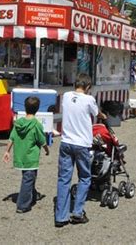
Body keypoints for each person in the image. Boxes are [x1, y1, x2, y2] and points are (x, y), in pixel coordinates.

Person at [55, 73, 105, 228]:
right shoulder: (89, 99)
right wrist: (104, 116)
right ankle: (77, 212)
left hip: (66, 142)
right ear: (88, 86)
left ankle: (61, 216)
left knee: (64, 179)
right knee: (84, 177)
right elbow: (97, 114)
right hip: (82, 144)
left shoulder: (67, 96)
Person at [3, 96, 49, 213]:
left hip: (20, 156)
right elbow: (41, 140)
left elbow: (12, 138)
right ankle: (22, 205)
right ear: (37, 109)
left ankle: (33, 195)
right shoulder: (36, 124)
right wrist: (46, 149)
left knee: (30, 177)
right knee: (28, 179)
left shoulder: (18, 123)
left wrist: (7, 151)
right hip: (31, 157)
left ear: (25, 107)